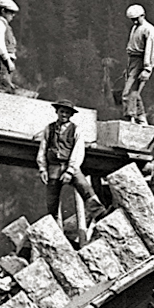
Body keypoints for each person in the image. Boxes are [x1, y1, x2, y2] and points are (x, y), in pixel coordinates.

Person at [35, 98, 97, 238]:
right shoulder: (49, 129)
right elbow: (43, 149)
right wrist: (43, 169)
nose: (64, 115)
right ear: (57, 112)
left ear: (71, 115)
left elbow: (78, 151)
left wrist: (70, 170)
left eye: (67, 113)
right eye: (62, 112)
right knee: (52, 199)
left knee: (84, 187)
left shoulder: (76, 130)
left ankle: (99, 214)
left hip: (70, 165)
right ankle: (55, 230)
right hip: (54, 167)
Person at [121, 4, 154, 124]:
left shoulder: (149, 30)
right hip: (132, 61)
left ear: (143, 15)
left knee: (129, 92)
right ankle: (141, 117)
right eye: (133, 19)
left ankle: (131, 117)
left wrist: (147, 68)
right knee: (134, 92)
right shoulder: (135, 28)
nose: (135, 21)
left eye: (137, 18)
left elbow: (151, 50)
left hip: (141, 61)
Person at [0, 0, 21, 93]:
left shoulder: (4, 25)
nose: (13, 15)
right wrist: (8, 61)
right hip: (2, 61)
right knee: (4, 90)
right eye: (11, 12)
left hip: (4, 62)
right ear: (3, 11)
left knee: (5, 88)